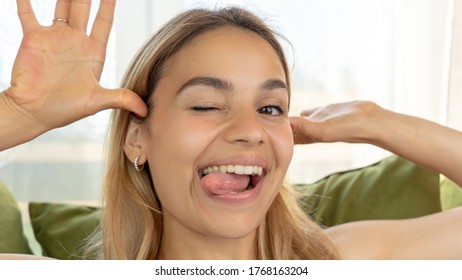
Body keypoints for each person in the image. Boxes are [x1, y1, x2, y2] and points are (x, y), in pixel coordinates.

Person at [1, 0, 461, 260]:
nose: (250, 130)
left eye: (270, 107)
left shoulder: (340, 262)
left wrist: (378, 121)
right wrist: (19, 116)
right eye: (206, 105)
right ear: (136, 138)